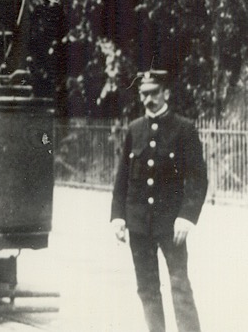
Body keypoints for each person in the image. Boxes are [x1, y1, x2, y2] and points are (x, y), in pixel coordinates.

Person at [110, 69, 208, 332]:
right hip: (139, 224)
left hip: (171, 225)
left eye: (153, 93)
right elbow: (122, 179)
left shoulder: (183, 129)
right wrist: (118, 216)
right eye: (143, 94)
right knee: (147, 288)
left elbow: (198, 179)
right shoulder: (134, 129)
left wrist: (187, 217)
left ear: (166, 93)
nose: (148, 99)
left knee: (180, 286)